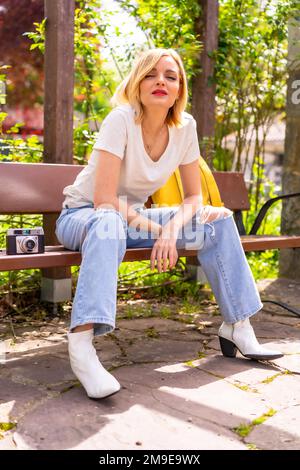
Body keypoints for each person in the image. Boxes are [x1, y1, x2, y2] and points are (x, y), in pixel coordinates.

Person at [55, 48, 283, 399]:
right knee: (108, 222)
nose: (160, 80)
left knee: (217, 221)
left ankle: (238, 325)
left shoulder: (185, 127)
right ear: (137, 82)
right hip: (85, 216)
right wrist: (159, 231)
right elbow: (103, 199)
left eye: (170, 76)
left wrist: (173, 230)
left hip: (128, 218)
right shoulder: (120, 120)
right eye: (150, 74)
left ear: (179, 89)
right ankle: (82, 345)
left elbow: (194, 197)